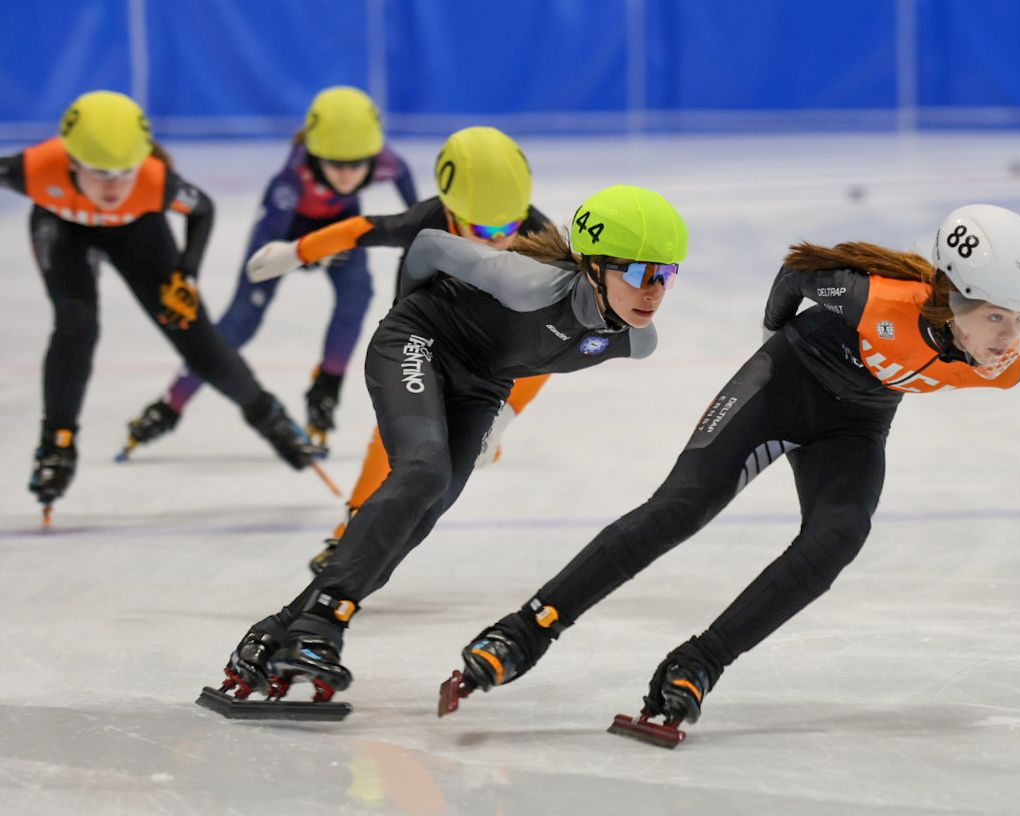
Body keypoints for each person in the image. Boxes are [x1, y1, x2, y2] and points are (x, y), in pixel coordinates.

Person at [448, 204, 1020, 744]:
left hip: (856, 424)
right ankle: (526, 630)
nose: (1010, 340)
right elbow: (796, 276)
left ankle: (699, 663)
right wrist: (773, 344)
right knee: (682, 507)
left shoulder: (1003, 368)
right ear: (954, 298)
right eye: (998, 318)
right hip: (784, 383)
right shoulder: (876, 297)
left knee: (839, 536)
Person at [213, 184, 689, 706]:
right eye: (638, 273)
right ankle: (322, 623)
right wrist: (404, 317)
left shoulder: (635, 340)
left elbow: (546, 351)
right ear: (592, 266)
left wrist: (505, 416)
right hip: (419, 341)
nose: (653, 292)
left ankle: (277, 632)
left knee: (421, 516)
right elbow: (428, 246)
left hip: (482, 386)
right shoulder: (526, 281)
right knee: (423, 471)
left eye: (666, 275)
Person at [240, 126, 556, 574]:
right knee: (399, 428)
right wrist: (297, 251)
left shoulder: (540, 241)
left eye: (509, 226)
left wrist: (503, 417)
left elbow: (551, 345)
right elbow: (363, 229)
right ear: (451, 210)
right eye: (483, 228)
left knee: (448, 454)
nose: (498, 239)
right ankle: (350, 530)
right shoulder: (428, 221)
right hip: (425, 323)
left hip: (493, 342)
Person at [0, 90, 320, 521]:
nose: (113, 186)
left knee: (195, 337)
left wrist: (187, 272)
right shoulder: (33, 168)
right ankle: (57, 443)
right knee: (77, 324)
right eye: (100, 173)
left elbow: (202, 210)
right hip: (63, 231)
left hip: (138, 233)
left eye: (125, 172)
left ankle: (270, 417)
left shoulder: (155, 181)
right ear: (71, 161)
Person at [123, 86, 416, 457]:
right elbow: (267, 250)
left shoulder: (387, 162)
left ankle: (326, 387)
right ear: (314, 155)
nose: (346, 175)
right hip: (283, 233)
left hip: (340, 225)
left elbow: (413, 201)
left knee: (357, 295)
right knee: (240, 322)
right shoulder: (290, 182)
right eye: (335, 164)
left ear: (372, 156)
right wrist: (305, 254)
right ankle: (170, 405)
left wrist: (418, 232)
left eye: (356, 165)